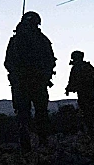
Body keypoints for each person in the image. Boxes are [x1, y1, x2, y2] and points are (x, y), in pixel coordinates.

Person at [4, 11, 56, 152]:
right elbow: (50, 60)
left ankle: (25, 144)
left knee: (22, 113)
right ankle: (43, 141)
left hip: (20, 84)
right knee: (41, 112)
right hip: (38, 83)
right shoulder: (42, 39)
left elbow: (7, 62)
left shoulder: (15, 40)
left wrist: (16, 74)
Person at [64, 50, 94, 132]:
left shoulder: (76, 68)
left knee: (85, 110)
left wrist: (68, 89)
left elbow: (71, 81)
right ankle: (90, 127)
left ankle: (88, 128)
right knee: (89, 108)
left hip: (83, 92)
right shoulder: (88, 66)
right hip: (90, 91)